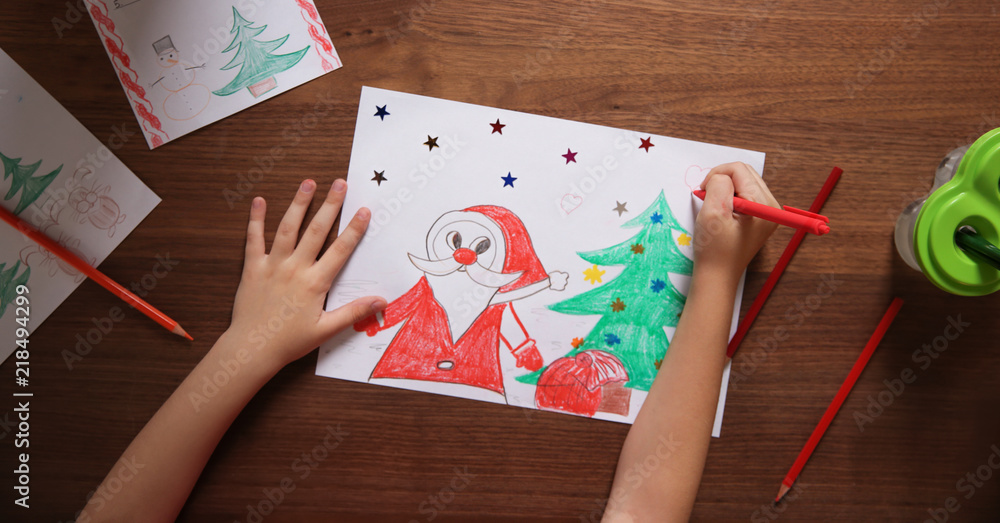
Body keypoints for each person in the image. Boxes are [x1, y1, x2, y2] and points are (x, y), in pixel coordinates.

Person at [79, 163, 779, 522]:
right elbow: (645, 510)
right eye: (460, 244)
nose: (467, 258)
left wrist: (249, 349)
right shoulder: (431, 292)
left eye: (483, 248)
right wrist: (717, 277)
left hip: (470, 372)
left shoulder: (493, 303)